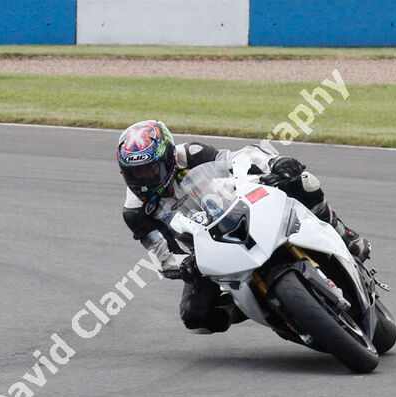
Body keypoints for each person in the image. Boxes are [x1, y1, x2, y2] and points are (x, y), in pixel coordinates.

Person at [118, 120, 370, 334]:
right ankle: (251, 306)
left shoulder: (190, 154)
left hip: (236, 208)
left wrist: (275, 163)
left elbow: (237, 158)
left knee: (303, 181)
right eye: (136, 173)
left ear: (167, 158)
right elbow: (163, 255)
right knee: (195, 317)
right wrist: (185, 265)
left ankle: (343, 233)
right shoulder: (135, 212)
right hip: (206, 252)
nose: (144, 179)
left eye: (150, 169)